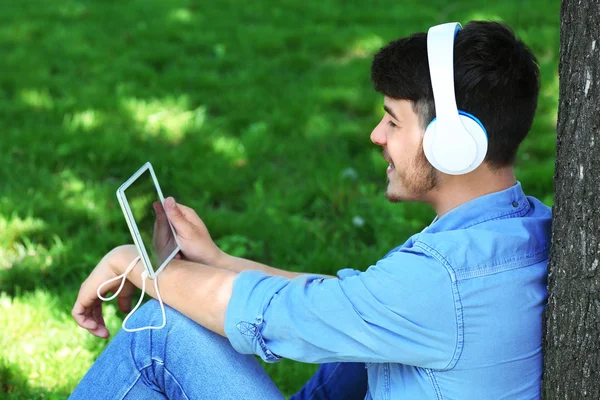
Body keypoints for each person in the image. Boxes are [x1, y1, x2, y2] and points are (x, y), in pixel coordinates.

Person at [70, 20, 550, 399]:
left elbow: (275, 317)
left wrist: (133, 265)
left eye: (392, 121)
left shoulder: (442, 279)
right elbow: (349, 305)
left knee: (159, 337)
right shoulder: (526, 225)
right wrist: (215, 261)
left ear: (453, 145)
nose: (376, 136)